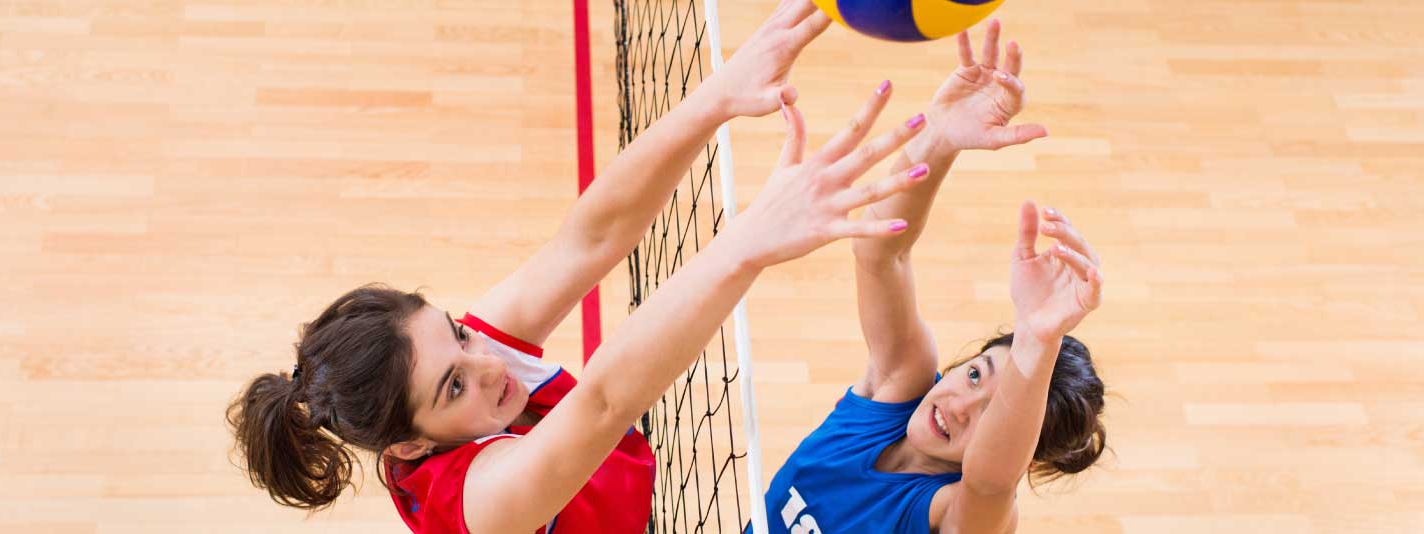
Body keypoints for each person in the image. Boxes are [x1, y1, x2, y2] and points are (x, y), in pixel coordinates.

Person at [226, 2, 940, 532]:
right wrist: (748, 240)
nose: (487, 361)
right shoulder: (483, 499)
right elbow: (602, 401)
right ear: (412, 444)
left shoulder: (472, 365)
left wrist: (716, 99)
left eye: (458, 332)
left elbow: (590, 237)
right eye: (453, 386)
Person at [758, 21, 1109, 533]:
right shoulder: (898, 387)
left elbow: (990, 482)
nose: (960, 405)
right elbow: (881, 255)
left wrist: (1038, 335)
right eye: (974, 375)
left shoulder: (957, 514)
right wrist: (940, 139)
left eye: (990, 415)